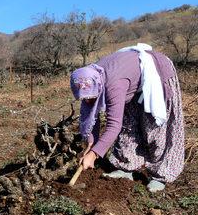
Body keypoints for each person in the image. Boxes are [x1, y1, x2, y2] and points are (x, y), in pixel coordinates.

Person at [70, 43, 185, 192]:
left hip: (157, 73)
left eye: (91, 97)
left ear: (98, 87)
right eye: (85, 98)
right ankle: (126, 167)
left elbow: (113, 125)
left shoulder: (113, 85)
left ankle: (159, 176)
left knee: (156, 129)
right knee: (128, 123)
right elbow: (91, 115)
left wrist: (94, 155)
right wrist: (91, 144)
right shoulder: (87, 78)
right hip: (131, 79)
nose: (88, 101)